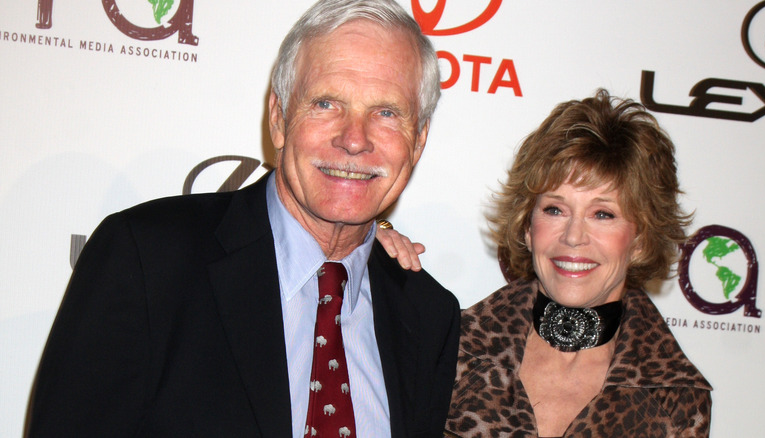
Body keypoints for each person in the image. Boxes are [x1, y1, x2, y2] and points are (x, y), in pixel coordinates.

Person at [26, 1, 460, 437]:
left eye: (386, 113)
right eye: (326, 103)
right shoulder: (146, 260)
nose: (353, 139)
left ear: (418, 140)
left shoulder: (428, 315)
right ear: (278, 118)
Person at [381, 89, 712, 437]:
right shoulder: (447, 348)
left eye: (603, 214)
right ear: (527, 226)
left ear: (641, 240)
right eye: (555, 209)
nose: (573, 236)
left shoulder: (675, 397)